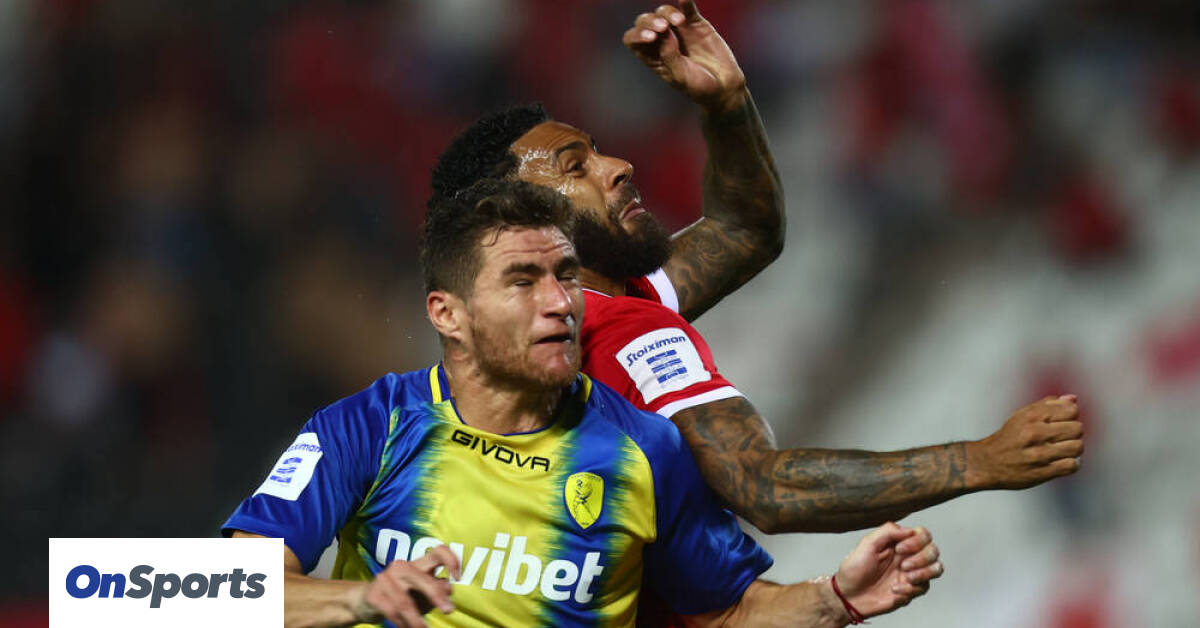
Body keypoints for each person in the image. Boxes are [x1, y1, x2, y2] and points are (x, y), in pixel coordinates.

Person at [428, 1, 1085, 535]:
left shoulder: (496, 357)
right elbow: (763, 486)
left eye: (595, 151)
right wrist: (978, 461)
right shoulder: (621, 332)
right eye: (577, 168)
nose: (619, 166)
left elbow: (745, 230)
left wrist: (728, 106)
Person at [223, 180, 944, 627]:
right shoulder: (370, 427)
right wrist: (358, 599)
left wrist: (836, 597)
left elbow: (725, 614)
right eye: (522, 280)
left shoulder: (644, 449)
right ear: (448, 313)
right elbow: (227, 588)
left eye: (566, 275)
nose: (559, 302)